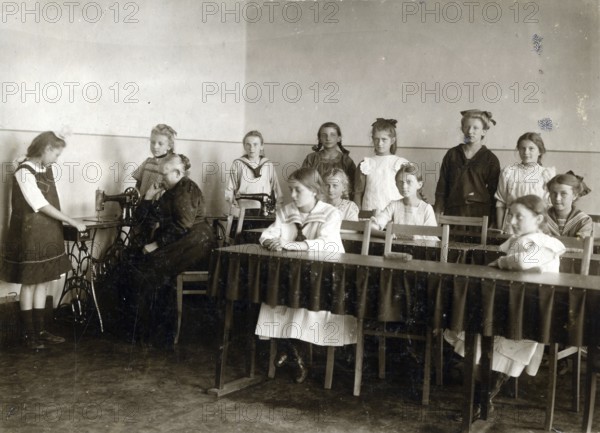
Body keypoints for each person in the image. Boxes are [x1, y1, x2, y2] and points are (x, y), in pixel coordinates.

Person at [445, 195, 566, 420]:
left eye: (519, 216)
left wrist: (501, 262)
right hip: (511, 308)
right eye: (510, 215)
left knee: (503, 350)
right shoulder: (521, 239)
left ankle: (482, 400)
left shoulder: (546, 243)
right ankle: (481, 397)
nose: (511, 221)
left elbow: (523, 262)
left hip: (532, 314)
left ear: (539, 218)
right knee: (478, 338)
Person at [256, 168, 356, 383]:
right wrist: (269, 241)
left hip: (323, 277)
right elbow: (268, 234)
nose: (292, 195)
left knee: (304, 300)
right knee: (279, 296)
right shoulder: (286, 211)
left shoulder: (330, 213)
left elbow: (327, 243)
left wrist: (289, 245)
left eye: (297, 190)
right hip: (293, 275)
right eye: (290, 190)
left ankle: (296, 351)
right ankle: (292, 349)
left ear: (313, 190)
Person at [0, 130, 87, 350]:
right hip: (29, 234)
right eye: (56, 154)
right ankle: (28, 335)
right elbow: (39, 204)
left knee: (44, 281)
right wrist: (72, 221)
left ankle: (40, 331)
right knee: (30, 283)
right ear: (46, 149)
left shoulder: (43, 168)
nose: (56, 160)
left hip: (48, 231)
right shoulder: (24, 172)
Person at [124, 153, 216, 347]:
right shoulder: (169, 192)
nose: (160, 178)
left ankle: (154, 334)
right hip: (182, 241)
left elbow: (182, 226)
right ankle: (144, 331)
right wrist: (148, 198)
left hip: (196, 243)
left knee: (149, 268)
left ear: (177, 173)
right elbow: (142, 220)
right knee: (136, 263)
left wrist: (156, 245)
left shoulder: (186, 189)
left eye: (163, 174)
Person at [434, 110, 500, 226]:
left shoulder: (490, 159)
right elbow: (442, 187)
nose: (470, 131)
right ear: (462, 128)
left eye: (475, 128)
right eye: (467, 127)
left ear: (484, 131)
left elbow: (494, 193)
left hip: (479, 216)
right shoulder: (452, 154)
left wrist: (492, 223)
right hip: (453, 213)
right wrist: (437, 213)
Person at [495, 132, 555, 232]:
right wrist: (500, 228)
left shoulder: (546, 174)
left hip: (536, 225)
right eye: (522, 148)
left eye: (531, 148)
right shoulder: (509, 172)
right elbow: (501, 203)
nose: (526, 152)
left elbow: (549, 206)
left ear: (540, 151)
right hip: (512, 225)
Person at [370, 163, 437, 240]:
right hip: (395, 248)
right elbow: (372, 227)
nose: (404, 186)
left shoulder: (426, 209)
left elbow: (432, 237)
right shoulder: (394, 205)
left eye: (409, 182)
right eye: (401, 182)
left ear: (419, 184)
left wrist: (412, 237)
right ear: (396, 185)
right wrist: (386, 234)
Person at [354, 118, 409, 213]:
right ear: (372, 139)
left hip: (395, 213)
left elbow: (410, 192)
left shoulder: (401, 163)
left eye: (384, 139)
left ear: (392, 140)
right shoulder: (366, 164)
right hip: (370, 211)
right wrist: (358, 213)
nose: (380, 143)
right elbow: (358, 193)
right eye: (376, 139)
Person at [225, 130, 283, 210]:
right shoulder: (238, 164)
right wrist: (233, 207)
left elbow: (276, 188)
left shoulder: (268, 165)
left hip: (264, 208)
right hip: (242, 208)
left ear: (262, 146)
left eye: (255, 144)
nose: (251, 148)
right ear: (244, 146)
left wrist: (278, 207)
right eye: (248, 144)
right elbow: (230, 189)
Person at [302, 122, 356, 195]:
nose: (328, 138)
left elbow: (352, 185)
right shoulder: (311, 158)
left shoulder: (346, 160)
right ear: (320, 139)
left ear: (339, 138)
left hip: (339, 201)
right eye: (324, 135)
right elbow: (304, 182)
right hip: (317, 200)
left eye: (332, 135)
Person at [132, 124, 177, 197]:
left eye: (160, 144)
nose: (155, 147)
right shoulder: (147, 162)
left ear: (169, 146)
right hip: (142, 204)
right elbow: (138, 184)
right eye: (153, 142)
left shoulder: (170, 165)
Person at [546, 171, 593, 238]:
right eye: (554, 193)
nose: (557, 198)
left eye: (563, 194)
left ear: (574, 196)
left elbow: (581, 245)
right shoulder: (541, 217)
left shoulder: (583, 220)